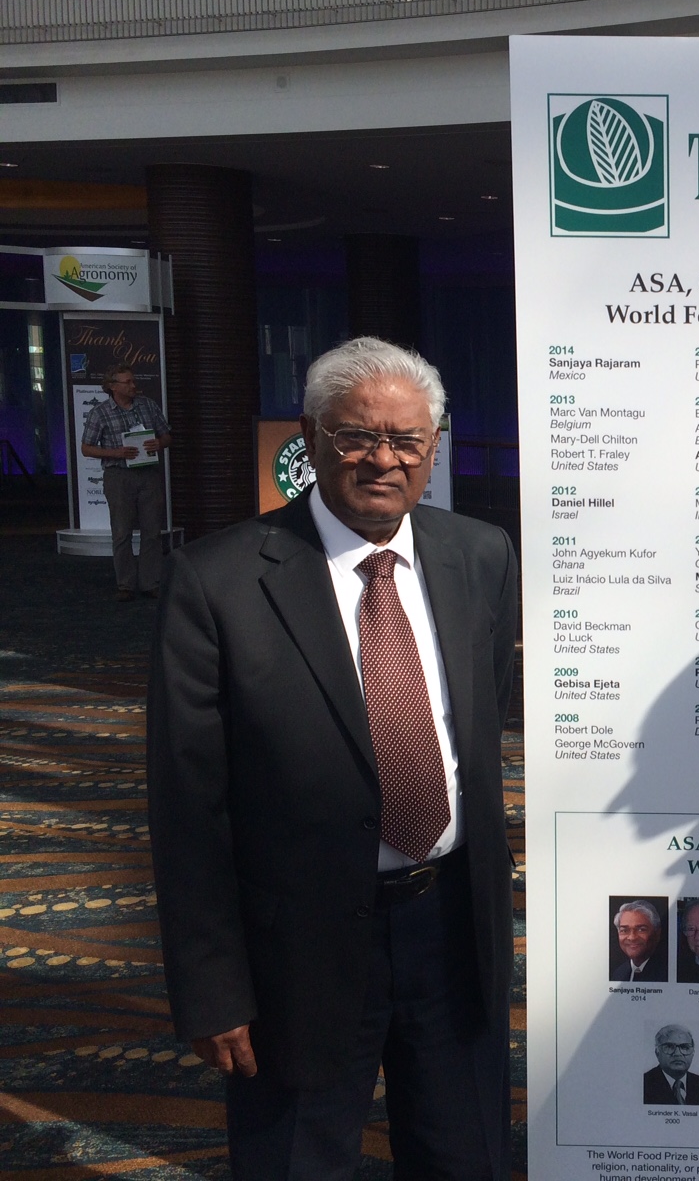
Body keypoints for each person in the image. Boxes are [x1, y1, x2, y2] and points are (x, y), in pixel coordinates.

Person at [147, 337, 518, 1178]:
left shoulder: (481, 554)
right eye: (357, 437)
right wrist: (211, 987)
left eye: (407, 440)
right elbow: (187, 806)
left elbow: (479, 722)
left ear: (434, 448)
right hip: (296, 950)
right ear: (312, 439)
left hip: (451, 928)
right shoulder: (216, 582)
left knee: (467, 1158)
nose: (383, 460)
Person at [80, 364, 172, 601]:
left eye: (133, 380)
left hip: (148, 473)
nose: (133, 385)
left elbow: (166, 435)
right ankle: (126, 585)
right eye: (127, 382)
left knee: (152, 531)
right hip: (118, 475)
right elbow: (86, 448)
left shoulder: (148, 405)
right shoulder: (100, 413)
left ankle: (151, 582)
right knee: (122, 531)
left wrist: (159, 443)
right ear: (112, 386)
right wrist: (116, 453)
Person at [642, 1025, 699, 1105]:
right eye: (669, 1047)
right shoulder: (644, 1083)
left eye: (685, 1047)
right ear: (657, 1052)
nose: (677, 1054)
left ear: (693, 1053)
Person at [611, 900, 668, 982]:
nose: (632, 937)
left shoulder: (668, 973)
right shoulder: (619, 974)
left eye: (641, 930)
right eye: (624, 930)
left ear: (657, 933)